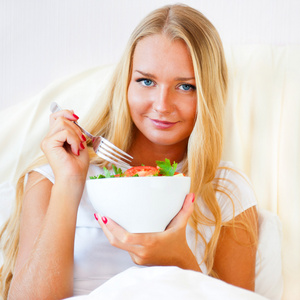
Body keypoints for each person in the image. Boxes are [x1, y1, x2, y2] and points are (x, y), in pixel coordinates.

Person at [0, 3, 258, 299]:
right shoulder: (54, 174)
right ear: (125, 83)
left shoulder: (225, 191)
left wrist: (179, 260)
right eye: (146, 81)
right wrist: (70, 183)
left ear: (209, 93)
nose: (162, 105)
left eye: (185, 87)